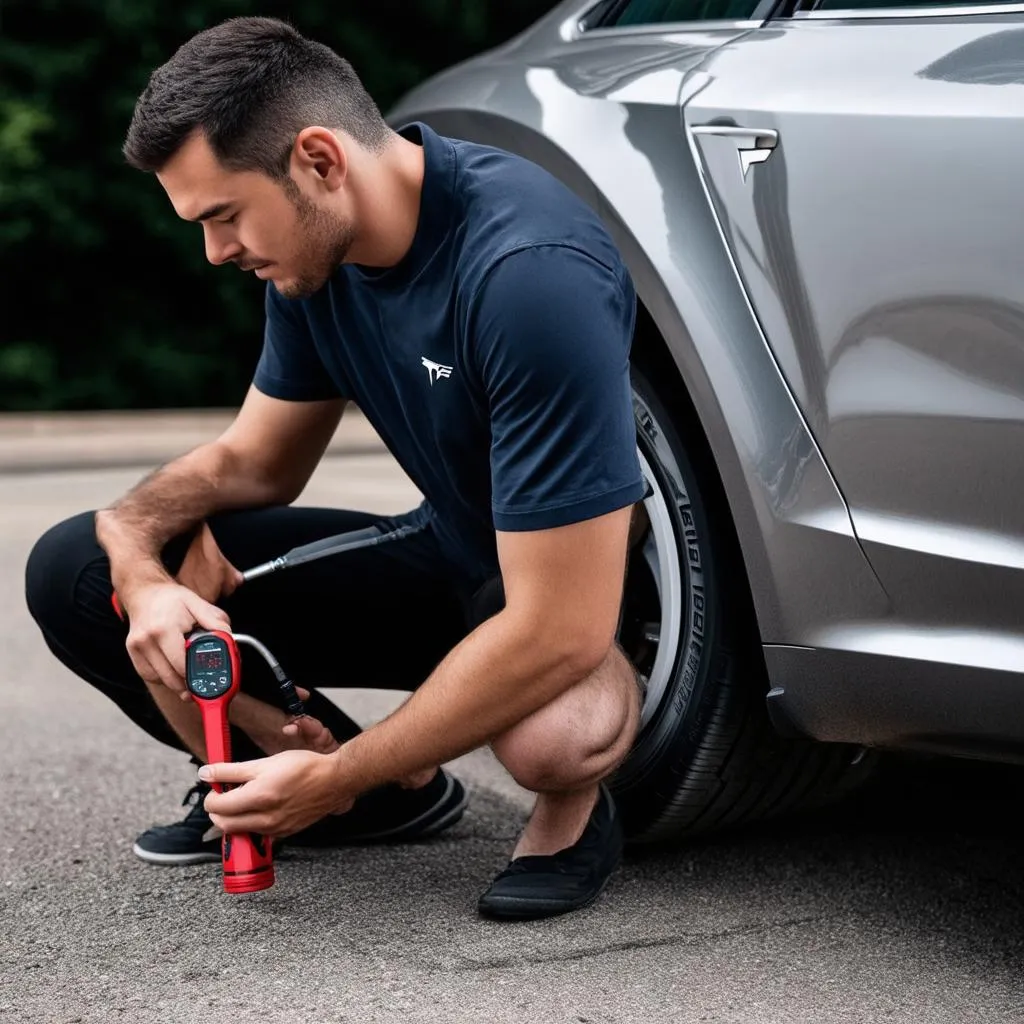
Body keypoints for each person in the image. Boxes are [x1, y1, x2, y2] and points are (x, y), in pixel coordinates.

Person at [24, 16, 646, 920]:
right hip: (453, 549)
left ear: (319, 160)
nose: (216, 252)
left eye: (223, 216)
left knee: (557, 738)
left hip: (558, 578)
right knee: (77, 572)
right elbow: (254, 461)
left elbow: (562, 626)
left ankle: (557, 810)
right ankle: (375, 798)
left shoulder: (527, 272)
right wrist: (135, 555)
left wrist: (334, 773)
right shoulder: (315, 257)